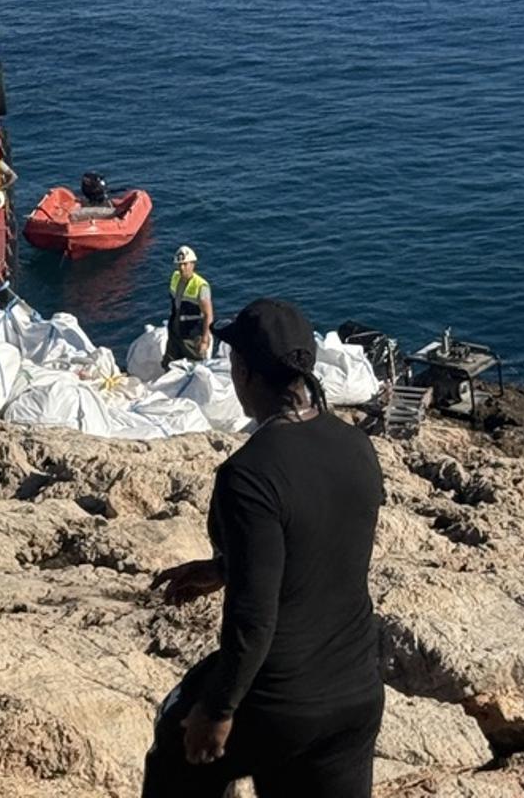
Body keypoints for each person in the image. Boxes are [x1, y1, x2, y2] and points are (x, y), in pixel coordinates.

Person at [144, 298, 385, 796]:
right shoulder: (357, 446)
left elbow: (253, 618)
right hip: (356, 693)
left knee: (175, 738)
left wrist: (218, 709)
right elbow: (319, 544)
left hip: (280, 700)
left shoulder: (248, 476)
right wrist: (225, 567)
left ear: (243, 372)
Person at [165, 245, 213, 367]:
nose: (182, 268)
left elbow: (208, 315)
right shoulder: (175, 277)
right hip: (175, 332)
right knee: (169, 364)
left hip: (191, 336)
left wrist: (205, 340)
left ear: (192, 264)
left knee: (195, 367)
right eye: (179, 264)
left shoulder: (201, 286)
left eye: (185, 264)